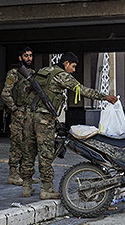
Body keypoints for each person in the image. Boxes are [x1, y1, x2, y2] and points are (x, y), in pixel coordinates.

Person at [21, 52, 118, 199]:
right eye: (72, 66)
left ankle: (26, 187)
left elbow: (25, 90)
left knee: (28, 151)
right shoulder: (62, 76)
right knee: (45, 153)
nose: (73, 70)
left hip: (29, 116)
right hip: (44, 119)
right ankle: (46, 189)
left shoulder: (44, 71)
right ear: (66, 63)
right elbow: (82, 90)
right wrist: (104, 97)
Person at [1, 46, 38, 185]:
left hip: (29, 113)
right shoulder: (14, 73)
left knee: (28, 144)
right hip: (18, 113)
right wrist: (15, 109)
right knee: (16, 143)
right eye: (26, 55)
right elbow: (5, 93)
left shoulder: (32, 73)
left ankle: (26, 174)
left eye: (30, 55)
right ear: (20, 57)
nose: (29, 58)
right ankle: (13, 174)